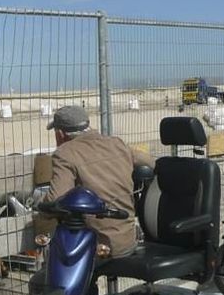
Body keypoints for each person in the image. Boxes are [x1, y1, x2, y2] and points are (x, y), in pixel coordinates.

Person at [44, 105, 153, 258]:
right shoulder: (117, 144)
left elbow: (56, 200)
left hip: (95, 247)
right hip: (127, 242)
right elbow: (149, 162)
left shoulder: (65, 154)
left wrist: (41, 209)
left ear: (60, 134)